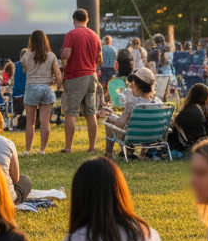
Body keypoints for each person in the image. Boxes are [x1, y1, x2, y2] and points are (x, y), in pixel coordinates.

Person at [61, 8, 102, 154]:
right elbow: (99, 59)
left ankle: (68, 147)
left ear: (74, 20)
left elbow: (66, 53)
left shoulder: (71, 34)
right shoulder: (95, 36)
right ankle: (92, 147)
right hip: (92, 76)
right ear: (87, 20)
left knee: (71, 113)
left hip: (76, 77)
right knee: (91, 113)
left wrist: (62, 58)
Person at [101, 67, 163, 156]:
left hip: (133, 137)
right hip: (153, 136)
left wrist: (110, 116)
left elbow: (119, 124)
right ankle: (140, 152)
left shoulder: (133, 104)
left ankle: (108, 153)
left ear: (136, 85)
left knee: (110, 119)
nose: (131, 85)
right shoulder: (158, 103)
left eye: (132, 82)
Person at [21, 30, 63, 156]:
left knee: (30, 122)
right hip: (46, 89)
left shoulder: (26, 56)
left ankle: (27, 150)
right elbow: (59, 76)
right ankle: (42, 150)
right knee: (45, 122)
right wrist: (55, 82)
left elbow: (25, 70)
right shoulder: (51, 56)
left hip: (31, 89)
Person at [168, 82, 208, 153]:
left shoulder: (191, 109)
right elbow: (200, 138)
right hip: (188, 148)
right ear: (205, 98)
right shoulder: (196, 111)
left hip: (180, 146)